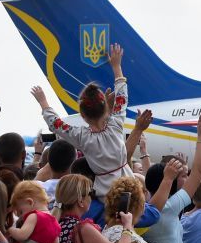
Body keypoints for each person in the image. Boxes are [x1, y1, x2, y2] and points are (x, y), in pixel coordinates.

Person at [33, 43, 131, 200]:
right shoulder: (116, 125)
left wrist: (43, 102)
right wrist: (116, 67)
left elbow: (55, 124)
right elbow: (121, 97)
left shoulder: (82, 136)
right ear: (106, 108)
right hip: (130, 189)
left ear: (83, 116)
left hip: (106, 196)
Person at [142, 110, 201, 243]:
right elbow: (198, 172)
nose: (187, 178)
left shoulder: (141, 211)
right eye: (182, 176)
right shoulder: (169, 207)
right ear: (169, 182)